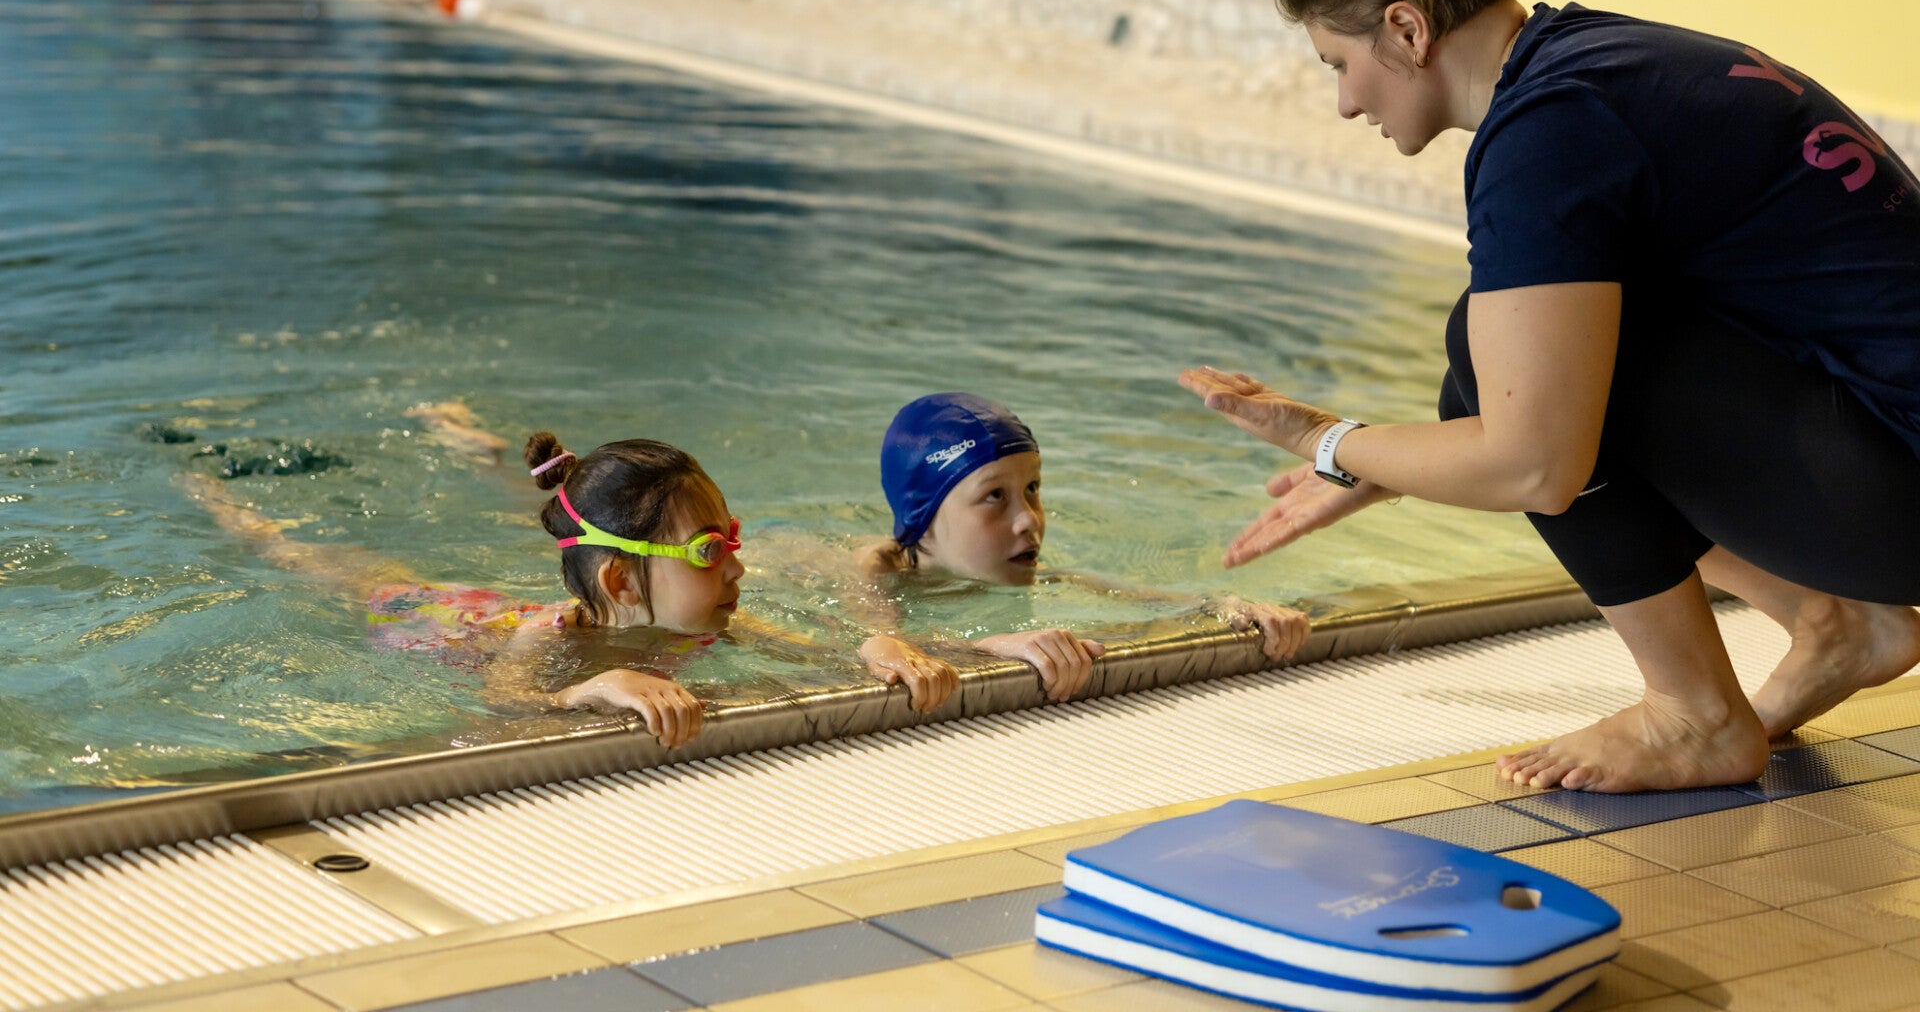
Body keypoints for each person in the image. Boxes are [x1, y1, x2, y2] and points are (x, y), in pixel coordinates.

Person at [1180, 0, 1920, 794]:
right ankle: (1835, 616)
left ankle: (1695, 715)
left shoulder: (1549, 134)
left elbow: (1536, 463)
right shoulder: (1600, 60)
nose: (1343, 103)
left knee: (1494, 380)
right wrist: (1390, 459)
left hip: (1899, 481)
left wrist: (1325, 439)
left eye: (1339, 64)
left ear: (1408, 32)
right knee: (1495, 365)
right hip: (1882, 441)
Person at [182, 429, 958, 749]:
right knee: (320, 567)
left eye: (732, 541)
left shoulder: (706, 628)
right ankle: (230, 512)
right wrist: (590, 690)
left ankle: (474, 440)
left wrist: (877, 644)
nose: (736, 568)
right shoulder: (548, 639)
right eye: (706, 551)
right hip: (438, 620)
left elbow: (822, 652)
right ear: (621, 580)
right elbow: (503, 705)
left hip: (508, 605)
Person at [860, 392, 1311, 700]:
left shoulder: (1036, 570)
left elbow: (1130, 598)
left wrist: (1227, 607)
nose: (1028, 520)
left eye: (1032, 489)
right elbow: (878, 646)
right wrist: (988, 646)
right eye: (994, 496)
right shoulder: (875, 576)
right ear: (924, 524)